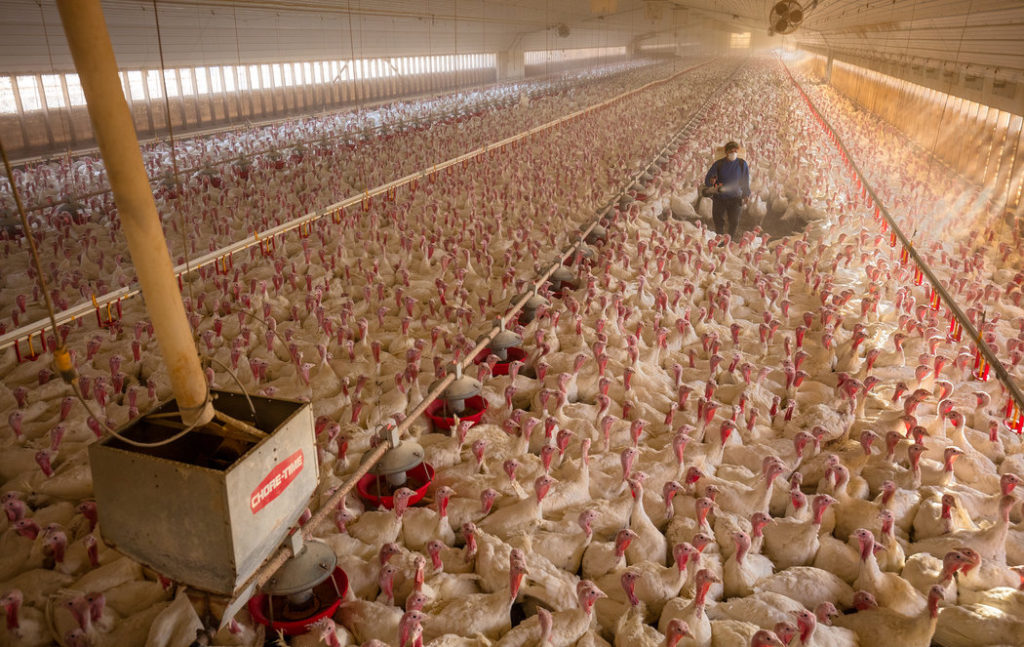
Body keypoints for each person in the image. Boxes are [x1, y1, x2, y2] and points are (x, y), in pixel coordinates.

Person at [703, 141, 750, 238]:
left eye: (735, 151)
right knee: (718, 221)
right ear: (726, 152)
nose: (733, 153)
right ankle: (719, 239)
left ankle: (729, 239)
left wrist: (746, 194)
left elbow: (745, 180)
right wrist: (712, 181)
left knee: (734, 221)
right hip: (720, 198)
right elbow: (708, 180)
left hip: (735, 198)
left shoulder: (742, 164)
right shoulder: (719, 164)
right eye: (731, 151)